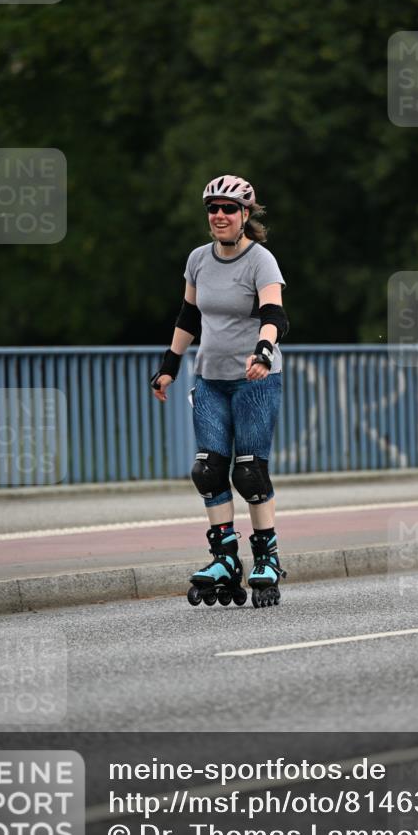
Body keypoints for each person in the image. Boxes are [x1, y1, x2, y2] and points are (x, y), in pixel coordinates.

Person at [150, 174, 289, 608]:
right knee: (208, 469)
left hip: (255, 380)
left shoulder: (260, 260)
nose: (220, 216)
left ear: (246, 215)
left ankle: (266, 558)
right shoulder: (197, 260)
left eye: (229, 209)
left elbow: (275, 314)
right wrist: (169, 366)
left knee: (248, 471)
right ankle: (225, 559)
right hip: (209, 379)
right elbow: (188, 315)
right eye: (213, 208)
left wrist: (263, 351)